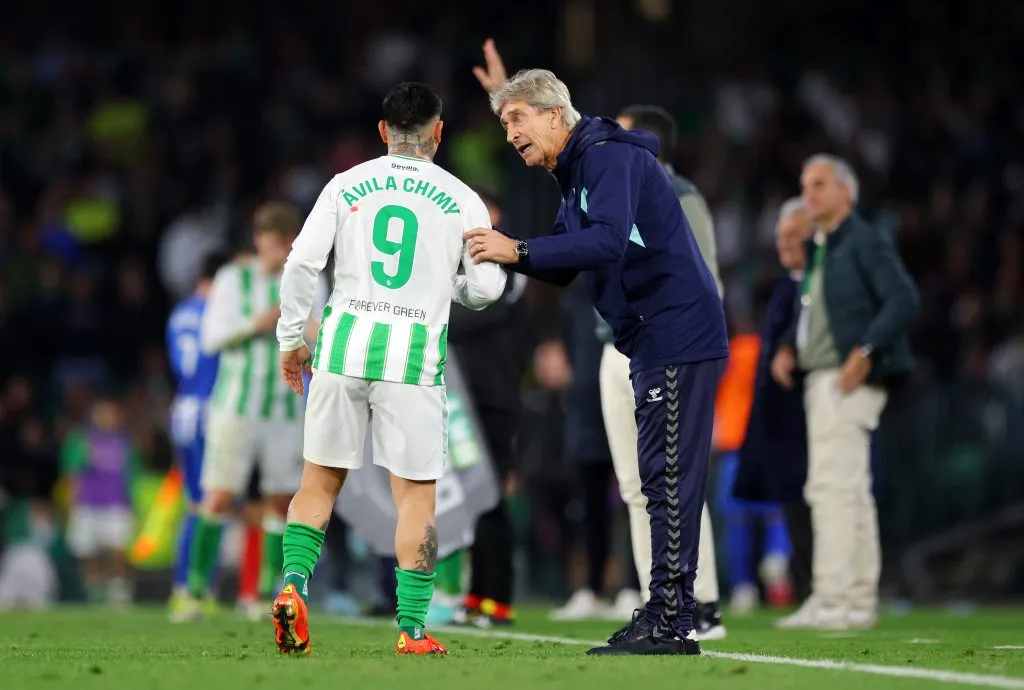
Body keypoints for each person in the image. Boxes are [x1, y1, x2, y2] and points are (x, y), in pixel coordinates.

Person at [469, 46, 728, 655]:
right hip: (655, 336)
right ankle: (667, 612)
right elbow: (563, 266)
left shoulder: (607, 156)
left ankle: (671, 620)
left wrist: (517, 250)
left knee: (665, 480)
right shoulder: (581, 169)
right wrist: (500, 254)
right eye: (505, 124)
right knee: (657, 480)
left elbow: (607, 242)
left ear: (555, 115)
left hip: (675, 331)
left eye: (517, 120)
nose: (510, 135)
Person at [271, 82, 506, 656]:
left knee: (318, 483)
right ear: (439, 132)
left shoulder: (345, 184)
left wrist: (289, 339)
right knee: (416, 499)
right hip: (412, 360)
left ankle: (293, 586)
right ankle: (412, 629)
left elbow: (301, 261)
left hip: (342, 347)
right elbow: (485, 285)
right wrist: (453, 289)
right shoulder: (462, 198)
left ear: (383, 132)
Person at [771, 155, 920, 629]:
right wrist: (789, 347)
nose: (809, 193)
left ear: (846, 193)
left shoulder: (863, 239)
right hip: (824, 377)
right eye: (804, 184)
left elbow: (903, 298)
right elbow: (814, 310)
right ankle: (854, 600)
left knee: (834, 489)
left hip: (846, 378)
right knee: (847, 490)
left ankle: (835, 598)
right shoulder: (825, 247)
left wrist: (865, 351)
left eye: (819, 184)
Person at [596, 104, 726, 639]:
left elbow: (699, 274)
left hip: (663, 342)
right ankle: (659, 601)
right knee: (635, 485)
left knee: (674, 477)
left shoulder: (679, 194)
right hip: (618, 346)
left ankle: (702, 602)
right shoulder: (614, 190)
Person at [179, 203, 317, 621]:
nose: (280, 252)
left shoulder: (309, 277)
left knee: (280, 501)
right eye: (274, 244)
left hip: (285, 408)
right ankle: (193, 591)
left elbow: (323, 330)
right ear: (258, 241)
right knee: (218, 495)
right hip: (234, 408)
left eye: (287, 244)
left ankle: (262, 595)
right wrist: (257, 323)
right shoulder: (231, 278)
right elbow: (210, 339)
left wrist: (306, 323)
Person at [446, 184, 529, 627]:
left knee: (492, 497)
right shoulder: (459, 267)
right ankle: (477, 595)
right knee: (472, 499)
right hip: (461, 399)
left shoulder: (511, 266)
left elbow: (473, 314)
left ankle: (500, 597)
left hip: (496, 399)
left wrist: (435, 306)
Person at [733, 199, 813, 607]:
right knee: (792, 510)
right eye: (780, 236)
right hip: (779, 424)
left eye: (793, 236)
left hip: (808, 419)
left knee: (813, 509)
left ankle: (824, 593)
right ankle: (807, 593)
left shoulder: (817, 284)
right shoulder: (787, 287)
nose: (784, 244)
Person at [165, 250, 228, 621]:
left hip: (183, 409)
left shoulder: (179, 313)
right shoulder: (215, 313)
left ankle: (188, 586)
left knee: (198, 501)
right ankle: (192, 587)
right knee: (212, 501)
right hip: (208, 411)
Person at [62, 393, 140, 605]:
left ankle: (120, 590)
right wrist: (70, 506)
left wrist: (134, 506)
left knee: (119, 550)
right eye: (104, 414)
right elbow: (71, 474)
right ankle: (94, 591)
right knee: (87, 552)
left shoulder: (125, 443)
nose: (108, 418)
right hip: (87, 503)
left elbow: (132, 476)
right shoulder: (81, 440)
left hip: (117, 504)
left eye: (112, 414)